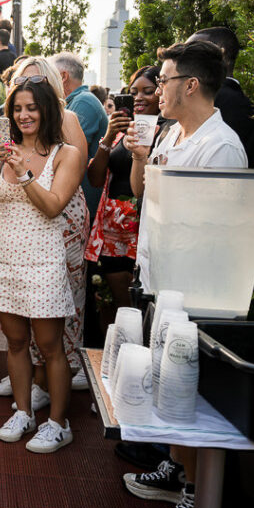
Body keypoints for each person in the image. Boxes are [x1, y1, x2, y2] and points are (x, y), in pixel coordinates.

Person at [124, 40, 247, 508]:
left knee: (193, 393)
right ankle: (176, 470)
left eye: (166, 80)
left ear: (190, 85)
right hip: (162, 279)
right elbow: (142, 194)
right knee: (169, 385)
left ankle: (201, 502)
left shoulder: (222, 146)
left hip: (198, 288)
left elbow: (213, 227)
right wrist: (139, 159)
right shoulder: (172, 132)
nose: (158, 91)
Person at [0, 75, 83, 452]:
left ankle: (58, 422)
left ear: (46, 110)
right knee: (16, 343)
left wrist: (22, 172)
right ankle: (23, 412)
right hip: (5, 259)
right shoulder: (5, 151)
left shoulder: (65, 153)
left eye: (31, 108)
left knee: (51, 346)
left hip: (43, 260)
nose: (23, 115)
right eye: (17, 108)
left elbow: (53, 207)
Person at [85, 67, 165, 324]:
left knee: (146, 307)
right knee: (122, 309)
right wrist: (108, 137)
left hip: (144, 225)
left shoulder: (168, 132)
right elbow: (96, 179)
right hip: (113, 230)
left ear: (161, 92)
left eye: (148, 91)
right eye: (133, 93)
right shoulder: (122, 131)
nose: (138, 98)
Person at [186, 26, 254, 168]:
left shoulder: (203, 104)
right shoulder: (251, 109)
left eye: (192, 53)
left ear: (219, 55)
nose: (181, 60)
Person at [51, 52, 109, 215]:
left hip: (81, 204)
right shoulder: (74, 102)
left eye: (49, 75)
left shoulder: (83, 102)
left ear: (63, 76)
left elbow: (65, 153)